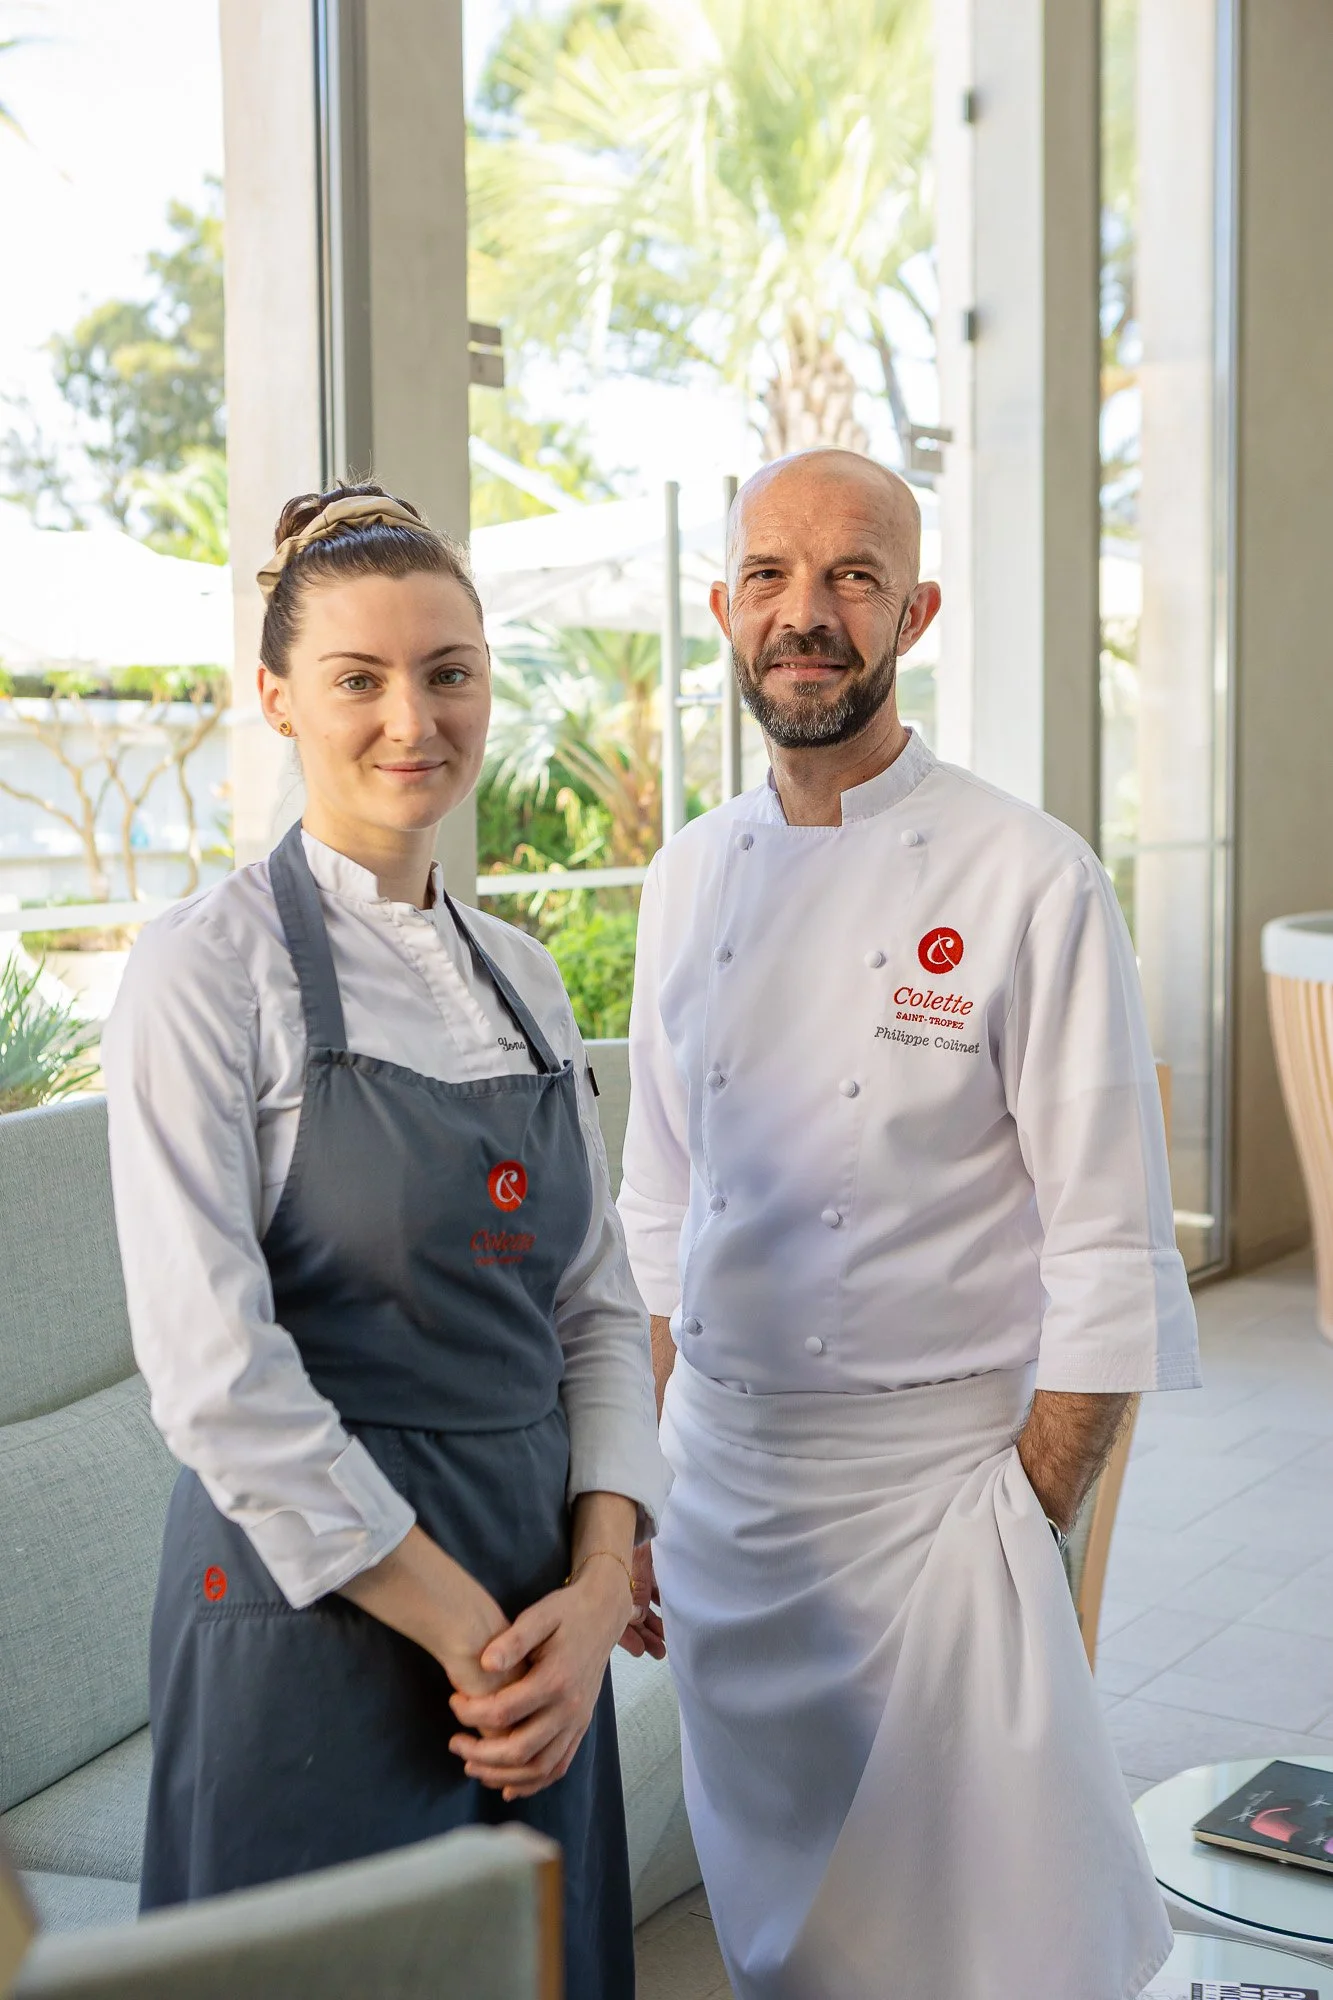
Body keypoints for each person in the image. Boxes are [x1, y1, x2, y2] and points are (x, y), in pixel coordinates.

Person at [616, 449, 1200, 2000]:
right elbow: (661, 1207)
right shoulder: (683, 884)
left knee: (987, 1946)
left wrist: (1030, 1509)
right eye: (770, 578)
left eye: (852, 579)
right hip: (727, 1508)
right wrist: (654, 1480)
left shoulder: (1031, 878)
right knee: (778, 1939)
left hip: (940, 1508)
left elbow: (1107, 1248)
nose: (805, 616)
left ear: (916, 610)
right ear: (725, 607)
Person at [102, 482, 664, 1999]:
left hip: (536, 1608)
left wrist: (603, 1573)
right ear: (277, 697)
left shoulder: (527, 980)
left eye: (450, 670)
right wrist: (470, 1630)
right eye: (358, 677)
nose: (412, 716)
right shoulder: (203, 974)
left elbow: (599, 1310)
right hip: (314, 1617)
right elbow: (215, 1374)